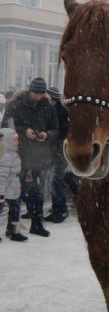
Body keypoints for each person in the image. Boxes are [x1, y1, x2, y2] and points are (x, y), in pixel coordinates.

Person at [1, 77, 59, 237]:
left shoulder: (49, 108)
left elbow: (56, 130)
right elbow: (5, 127)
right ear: (30, 90)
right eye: (35, 92)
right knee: (15, 194)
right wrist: (23, 131)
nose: (37, 96)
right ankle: (13, 229)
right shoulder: (16, 104)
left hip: (39, 155)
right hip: (18, 155)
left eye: (40, 93)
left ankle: (37, 224)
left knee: (37, 193)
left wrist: (46, 134)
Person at [44, 87, 69, 223]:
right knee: (52, 181)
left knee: (55, 181)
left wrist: (50, 136)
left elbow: (62, 131)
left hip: (59, 151)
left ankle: (62, 210)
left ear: (52, 98)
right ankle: (56, 209)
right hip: (53, 151)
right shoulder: (54, 110)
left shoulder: (61, 111)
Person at [0, 128, 28, 241]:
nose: (17, 142)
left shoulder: (14, 154)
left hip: (13, 189)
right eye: (14, 140)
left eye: (17, 139)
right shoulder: (4, 157)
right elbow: (1, 178)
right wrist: (1, 195)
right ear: (5, 142)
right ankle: (12, 231)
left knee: (15, 210)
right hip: (4, 190)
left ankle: (13, 231)